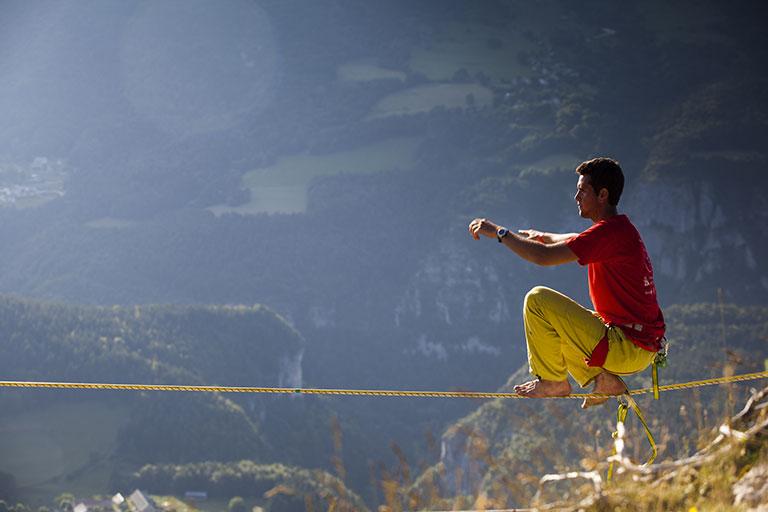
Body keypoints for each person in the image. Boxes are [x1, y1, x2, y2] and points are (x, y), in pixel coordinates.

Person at [468, 157, 665, 408]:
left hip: (626, 347)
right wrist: (542, 236)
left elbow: (544, 258)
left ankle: (553, 382)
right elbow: (573, 239)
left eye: (582, 190)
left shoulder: (609, 233)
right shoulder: (617, 231)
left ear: (602, 194)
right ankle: (604, 380)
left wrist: (500, 233)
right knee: (556, 327)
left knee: (537, 300)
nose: (576, 196)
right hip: (637, 347)